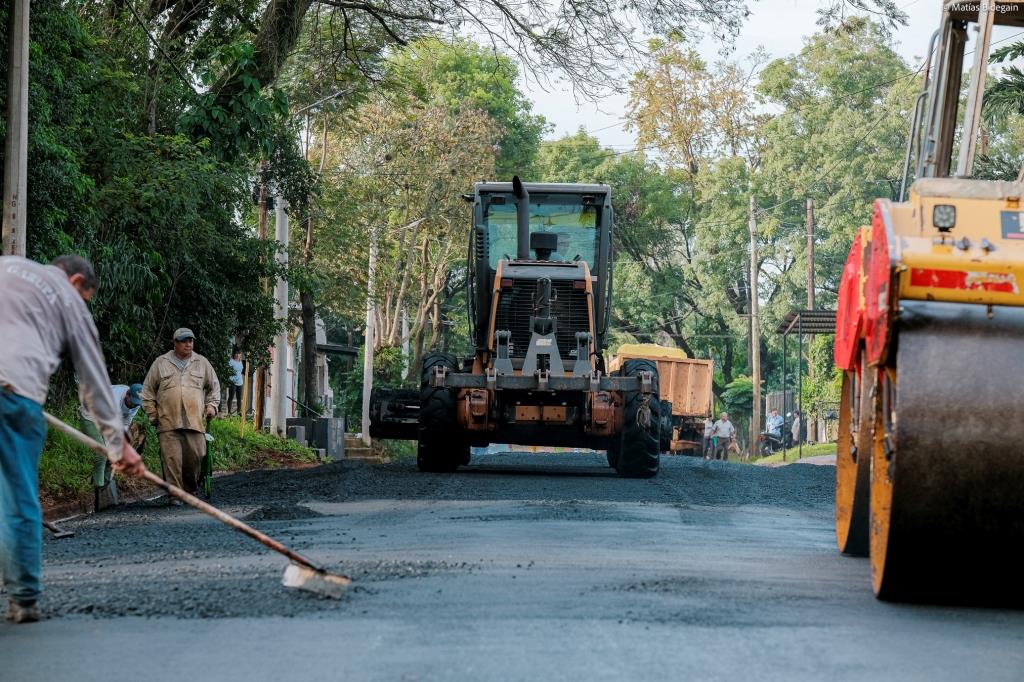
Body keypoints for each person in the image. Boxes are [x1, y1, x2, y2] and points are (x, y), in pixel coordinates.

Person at [0, 255, 145, 624]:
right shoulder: (68, 301)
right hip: (16, 398)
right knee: (18, 496)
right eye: (86, 297)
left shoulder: (6, 266)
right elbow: (93, 380)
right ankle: (23, 596)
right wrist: (118, 446)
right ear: (77, 281)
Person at [141, 328, 220, 500]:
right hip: (168, 421)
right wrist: (153, 413)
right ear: (175, 343)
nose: (188, 344)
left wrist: (212, 406)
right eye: (184, 341)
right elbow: (147, 392)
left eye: (190, 341)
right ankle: (175, 495)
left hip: (195, 421)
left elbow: (214, 387)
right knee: (172, 460)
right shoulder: (160, 363)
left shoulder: (202, 362)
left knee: (196, 457)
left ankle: (190, 490)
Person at [81, 383, 144, 511]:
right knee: (101, 454)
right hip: (91, 416)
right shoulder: (113, 398)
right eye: (132, 402)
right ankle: (99, 490)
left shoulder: (136, 403)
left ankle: (105, 486)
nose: (133, 405)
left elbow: (125, 423)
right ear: (127, 395)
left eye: (136, 404)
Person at [227, 350, 244, 415]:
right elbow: (228, 371)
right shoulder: (231, 361)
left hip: (240, 382)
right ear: (234, 354)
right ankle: (229, 412)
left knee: (239, 398)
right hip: (232, 382)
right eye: (236, 353)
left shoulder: (241, 362)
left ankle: (239, 412)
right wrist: (230, 379)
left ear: (240, 355)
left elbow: (240, 371)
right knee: (231, 397)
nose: (237, 355)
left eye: (239, 353)